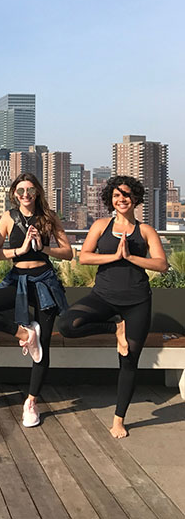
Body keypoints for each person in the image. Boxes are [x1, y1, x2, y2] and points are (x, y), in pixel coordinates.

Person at [58, 175, 167, 438]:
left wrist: (131, 257)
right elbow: (83, 256)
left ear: (135, 199)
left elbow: (162, 265)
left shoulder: (146, 231)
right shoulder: (101, 225)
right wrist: (115, 256)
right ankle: (115, 328)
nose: (122, 199)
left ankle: (118, 419)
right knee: (67, 325)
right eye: (117, 195)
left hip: (137, 301)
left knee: (128, 360)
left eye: (126, 195)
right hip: (103, 298)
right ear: (111, 199)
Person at [0, 173, 72, 427]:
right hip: (17, 279)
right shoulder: (7, 218)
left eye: (30, 190)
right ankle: (23, 333)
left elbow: (67, 252)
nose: (25, 195)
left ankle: (31, 402)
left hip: (44, 280)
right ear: (14, 193)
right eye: (21, 190)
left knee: (42, 347)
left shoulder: (49, 218)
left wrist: (42, 248)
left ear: (38, 193)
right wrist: (20, 251)